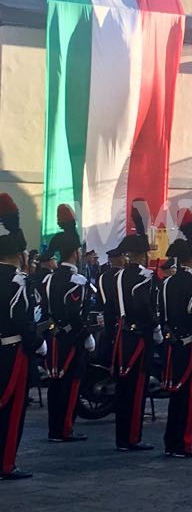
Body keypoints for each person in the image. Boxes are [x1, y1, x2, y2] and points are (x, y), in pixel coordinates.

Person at [0, 194, 44, 479]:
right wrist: (37, 344)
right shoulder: (17, 283)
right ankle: (6, 463)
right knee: (12, 410)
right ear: (17, 255)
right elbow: (23, 321)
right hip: (12, 352)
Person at [40, 205, 91, 443]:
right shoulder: (76, 280)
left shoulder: (50, 278)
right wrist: (86, 335)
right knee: (71, 384)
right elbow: (75, 313)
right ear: (76, 252)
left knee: (55, 384)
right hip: (71, 340)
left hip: (54, 339)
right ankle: (65, 429)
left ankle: (54, 429)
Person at [157, 238, 192, 458]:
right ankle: (185, 443)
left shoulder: (167, 282)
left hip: (172, 346)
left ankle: (171, 441)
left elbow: (162, 313)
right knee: (189, 399)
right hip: (190, 345)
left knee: (175, 398)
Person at [112, 206, 160, 452]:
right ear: (143, 254)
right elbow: (143, 304)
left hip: (122, 335)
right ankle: (132, 437)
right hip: (140, 336)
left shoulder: (118, 275)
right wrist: (155, 324)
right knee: (136, 388)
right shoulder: (144, 276)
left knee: (124, 388)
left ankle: (122, 436)